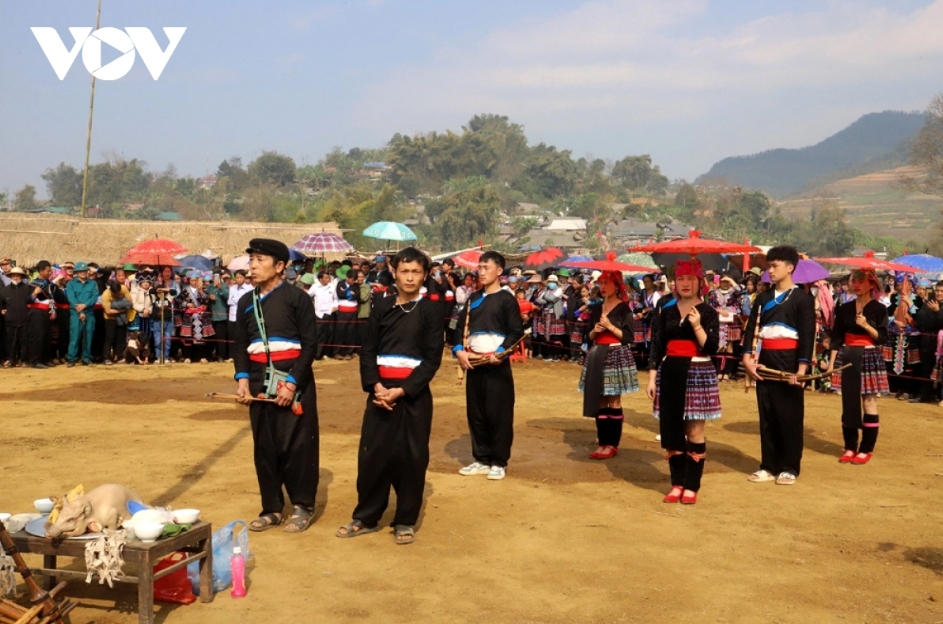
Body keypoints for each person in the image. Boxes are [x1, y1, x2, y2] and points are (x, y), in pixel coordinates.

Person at [336, 247, 444, 545]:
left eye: (416, 272)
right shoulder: (381, 305)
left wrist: (403, 389)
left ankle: (405, 520)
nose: (409, 278)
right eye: (404, 271)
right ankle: (366, 516)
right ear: (394, 272)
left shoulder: (431, 310)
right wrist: (375, 385)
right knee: (373, 455)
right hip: (380, 393)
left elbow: (432, 360)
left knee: (412, 457)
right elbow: (368, 350)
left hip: (413, 396)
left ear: (425, 274)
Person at [233, 239, 320, 534]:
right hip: (259, 380)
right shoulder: (246, 302)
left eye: (260, 260)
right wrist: (243, 381)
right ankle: (271, 508)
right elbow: (240, 345)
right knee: (265, 446)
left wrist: (292, 383)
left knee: (297, 445)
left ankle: (302, 505)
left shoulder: (298, 299)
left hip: (294, 379)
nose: (253, 266)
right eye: (251, 260)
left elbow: (310, 345)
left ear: (280, 266)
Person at [647, 259, 721, 504]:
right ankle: (677, 483)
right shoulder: (666, 310)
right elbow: (657, 345)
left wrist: (697, 326)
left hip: (698, 371)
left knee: (694, 430)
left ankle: (691, 486)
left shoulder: (708, 312)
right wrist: (652, 378)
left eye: (690, 278)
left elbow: (712, 347)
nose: (685, 283)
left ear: (700, 282)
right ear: (674, 283)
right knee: (672, 428)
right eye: (680, 278)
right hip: (669, 371)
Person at [742, 246, 816, 486]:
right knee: (768, 415)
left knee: (789, 416)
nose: (770, 271)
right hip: (765, 361)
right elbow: (751, 330)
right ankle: (768, 466)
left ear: (790, 267)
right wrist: (747, 359)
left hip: (790, 361)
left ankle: (789, 467)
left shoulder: (803, 299)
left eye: (775, 266)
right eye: (769, 266)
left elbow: (807, 336)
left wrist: (801, 370)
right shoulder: (763, 298)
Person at [453, 251, 525, 481]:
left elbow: (516, 332)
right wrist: (459, 351)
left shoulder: (506, 299)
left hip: (496, 364)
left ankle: (498, 462)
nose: (481, 272)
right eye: (480, 268)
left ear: (499, 271)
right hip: (474, 363)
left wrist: (501, 352)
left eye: (486, 267)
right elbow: (458, 328)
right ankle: (481, 459)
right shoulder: (472, 299)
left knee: (499, 414)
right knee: (476, 413)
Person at [825, 269, 889, 464]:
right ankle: (850, 447)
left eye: (861, 281)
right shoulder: (844, 308)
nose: (856, 285)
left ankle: (866, 449)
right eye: (854, 281)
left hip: (869, 354)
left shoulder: (879, 309)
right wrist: (831, 364)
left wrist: (866, 326)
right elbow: (837, 338)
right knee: (849, 403)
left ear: (871, 284)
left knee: (869, 402)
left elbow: (883, 338)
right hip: (847, 355)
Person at [578, 271, 639, 460]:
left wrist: (610, 326)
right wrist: (595, 331)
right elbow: (588, 337)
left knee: (614, 401)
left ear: (617, 285)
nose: (603, 286)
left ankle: (613, 444)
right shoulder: (596, 307)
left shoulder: (624, 309)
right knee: (600, 400)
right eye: (601, 283)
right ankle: (602, 443)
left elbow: (628, 337)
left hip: (615, 353)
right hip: (597, 353)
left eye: (607, 283)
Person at [65, 262, 100, 367]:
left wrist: (85, 305)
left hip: (89, 313)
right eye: (80, 271)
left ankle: (86, 357)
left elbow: (94, 297)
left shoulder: (93, 283)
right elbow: (71, 298)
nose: (82, 273)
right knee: (74, 336)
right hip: (75, 313)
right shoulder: (70, 284)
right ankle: (71, 358)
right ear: (76, 272)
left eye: (84, 271)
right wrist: (80, 312)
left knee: (88, 336)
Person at [26, 261, 58, 369]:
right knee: (37, 336)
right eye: (48, 271)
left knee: (46, 336)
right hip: (37, 312)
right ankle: (35, 361)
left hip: (47, 312)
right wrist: (35, 293)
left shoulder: (50, 284)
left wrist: (52, 310)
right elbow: (27, 300)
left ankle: (45, 359)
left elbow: (52, 298)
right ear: (41, 271)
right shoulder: (33, 284)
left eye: (50, 271)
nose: (50, 273)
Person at [0, 267, 30, 367]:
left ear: (21, 277)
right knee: (10, 342)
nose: (15, 277)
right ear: (10, 277)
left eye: (18, 276)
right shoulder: (4, 291)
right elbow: (1, 304)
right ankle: (11, 360)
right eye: (13, 275)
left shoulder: (28, 289)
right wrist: (2, 310)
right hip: (10, 320)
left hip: (25, 319)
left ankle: (24, 360)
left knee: (24, 341)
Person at [101, 281, 133, 365]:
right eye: (114, 294)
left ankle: (119, 356)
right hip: (110, 318)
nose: (116, 295)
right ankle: (106, 357)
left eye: (118, 293)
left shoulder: (124, 288)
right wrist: (121, 310)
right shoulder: (106, 294)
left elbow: (130, 302)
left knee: (120, 338)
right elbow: (108, 311)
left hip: (122, 317)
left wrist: (125, 308)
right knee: (109, 338)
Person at [310, 270, 337, 360]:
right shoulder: (315, 287)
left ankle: (327, 353)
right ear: (320, 279)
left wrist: (335, 306)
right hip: (319, 314)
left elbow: (336, 299)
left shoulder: (332, 287)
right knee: (319, 334)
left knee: (330, 333)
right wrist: (312, 306)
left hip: (330, 313)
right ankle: (317, 354)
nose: (328, 279)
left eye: (328, 278)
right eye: (325, 278)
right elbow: (307, 296)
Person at [227, 270, 253, 364]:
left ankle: (245, 355)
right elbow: (229, 301)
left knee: (243, 336)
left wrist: (237, 301)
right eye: (237, 278)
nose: (238, 279)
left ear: (244, 278)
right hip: (233, 315)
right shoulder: (232, 288)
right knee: (232, 336)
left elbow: (246, 302)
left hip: (244, 315)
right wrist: (238, 301)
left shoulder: (249, 288)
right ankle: (232, 356)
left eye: (240, 277)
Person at [334, 267, 359, 360]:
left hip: (353, 311)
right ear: (347, 278)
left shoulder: (356, 285)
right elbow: (339, 294)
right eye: (352, 279)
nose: (353, 282)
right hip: (342, 311)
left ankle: (349, 352)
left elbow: (357, 296)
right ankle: (337, 352)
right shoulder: (340, 283)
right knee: (340, 331)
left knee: (351, 332)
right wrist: (350, 293)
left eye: (354, 280)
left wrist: (345, 292)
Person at [206, 272, 231, 362]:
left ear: (220, 277)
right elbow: (203, 297)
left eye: (217, 276)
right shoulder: (209, 287)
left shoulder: (224, 286)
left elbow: (227, 296)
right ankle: (210, 355)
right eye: (213, 276)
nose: (215, 278)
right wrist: (208, 297)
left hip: (221, 316)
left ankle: (221, 355)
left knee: (221, 338)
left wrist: (220, 287)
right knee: (210, 337)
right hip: (211, 316)